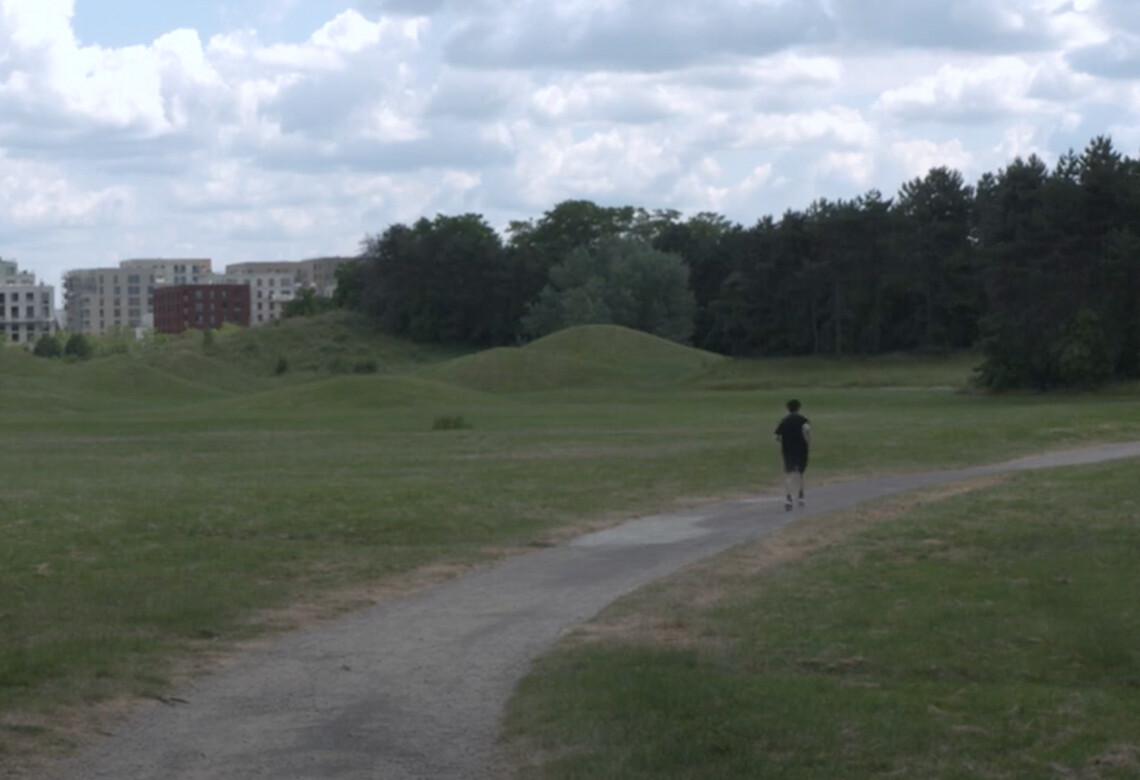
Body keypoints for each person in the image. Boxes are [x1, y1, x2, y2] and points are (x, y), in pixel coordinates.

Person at [774, 399, 811, 511]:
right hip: (801, 449)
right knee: (800, 473)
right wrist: (808, 443)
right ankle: (800, 496)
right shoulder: (803, 420)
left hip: (788, 450)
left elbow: (777, 436)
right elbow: (806, 432)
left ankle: (788, 497)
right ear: (799, 408)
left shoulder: (784, 421)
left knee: (789, 473)